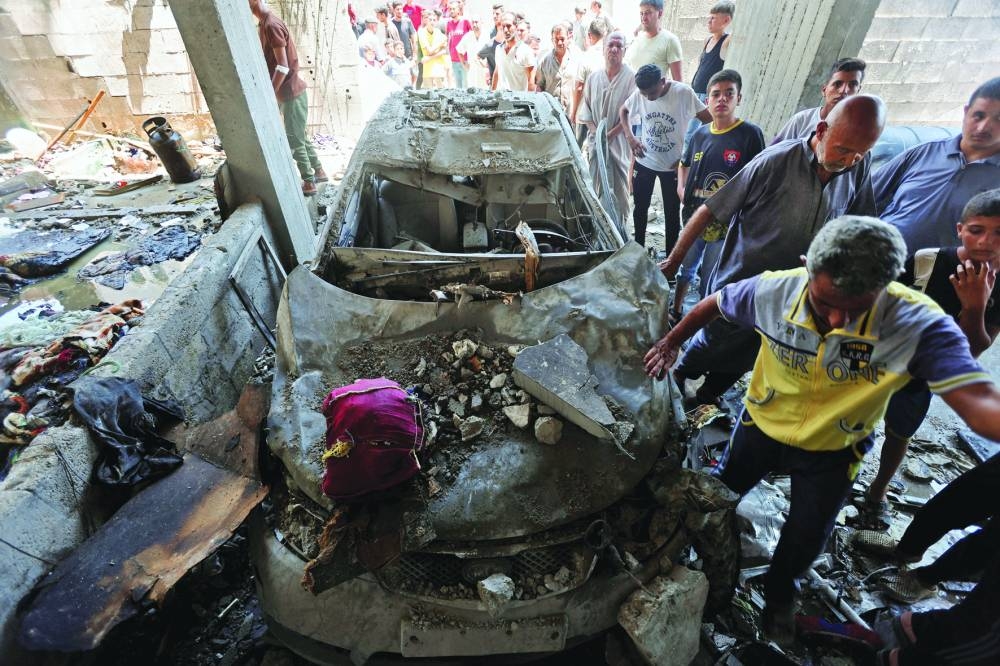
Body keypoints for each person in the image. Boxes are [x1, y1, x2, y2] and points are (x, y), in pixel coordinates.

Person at [645, 215, 1000, 645]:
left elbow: (976, 395)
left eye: (855, 309)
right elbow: (714, 304)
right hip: (760, 426)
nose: (835, 318)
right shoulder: (776, 288)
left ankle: (779, 600)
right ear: (806, 268)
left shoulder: (914, 319)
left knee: (805, 534)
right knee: (718, 494)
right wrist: (671, 343)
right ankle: (692, 557)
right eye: (824, 301)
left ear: (887, 289)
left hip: (836, 448)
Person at [660, 94, 885, 406]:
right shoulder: (776, 161)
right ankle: (681, 374)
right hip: (742, 278)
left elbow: (862, 226)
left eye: (859, 155)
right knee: (715, 340)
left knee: (756, 350)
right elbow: (709, 210)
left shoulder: (858, 166)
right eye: (843, 150)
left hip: (795, 292)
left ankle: (707, 396)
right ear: (821, 132)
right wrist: (674, 261)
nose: (848, 162)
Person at [857, 189, 1000, 529]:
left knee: (899, 432)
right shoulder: (926, 261)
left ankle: (877, 493)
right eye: (977, 230)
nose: (986, 242)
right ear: (960, 229)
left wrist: (974, 307)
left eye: (999, 234)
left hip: (922, 378)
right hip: (881, 361)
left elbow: (973, 349)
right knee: (851, 418)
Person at [671, 69, 764, 322]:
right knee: (685, 268)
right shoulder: (700, 134)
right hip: (693, 217)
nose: (721, 99)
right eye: (716, 94)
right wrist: (681, 188)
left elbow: (757, 178)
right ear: (708, 100)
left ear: (739, 98)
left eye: (728, 94)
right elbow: (684, 163)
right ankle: (676, 311)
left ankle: (700, 323)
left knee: (711, 277)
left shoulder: (750, 135)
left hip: (726, 224)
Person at [873, 77, 1000, 253]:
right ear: (966, 112)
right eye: (978, 116)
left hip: (943, 277)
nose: (983, 127)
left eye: (998, 120)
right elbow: (864, 198)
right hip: (876, 263)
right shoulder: (922, 153)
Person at [620, 64, 711, 250]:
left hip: (672, 166)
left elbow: (709, 120)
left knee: (671, 213)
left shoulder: (683, 93)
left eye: (651, 93)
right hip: (644, 161)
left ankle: (670, 257)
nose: (647, 98)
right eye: (644, 94)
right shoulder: (642, 93)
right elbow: (624, 110)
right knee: (640, 209)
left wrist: (689, 155)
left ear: (663, 81)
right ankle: (638, 249)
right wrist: (630, 138)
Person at [248, 0, 327, 197]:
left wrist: (269, 94)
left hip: (291, 93)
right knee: (299, 136)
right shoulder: (264, 23)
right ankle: (319, 171)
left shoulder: (271, 25)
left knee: (295, 140)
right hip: (288, 93)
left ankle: (309, 182)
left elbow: (282, 66)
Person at [577, 31, 633, 237]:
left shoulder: (631, 78)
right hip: (596, 143)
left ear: (624, 51)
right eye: (611, 45)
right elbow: (587, 112)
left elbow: (631, 114)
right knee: (595, 186)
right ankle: (595, 232)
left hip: (618, 143)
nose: (614, 49)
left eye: (619, 46)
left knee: (619, 191)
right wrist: (597, 133)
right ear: (603, 49)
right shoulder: (593, 78)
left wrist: (610, 135)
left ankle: (619, 235)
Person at [773, 58, 866, 142]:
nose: (844, 91)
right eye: (837, 84)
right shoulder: (802, 120)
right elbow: (771, 154)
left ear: (858, 91)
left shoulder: (858, 133)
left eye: (852, 85)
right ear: (824, 90)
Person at [684, 1, 734, 148]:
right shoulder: (707, 41)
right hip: (695, 92)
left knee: (693, 133)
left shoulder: (725, 42)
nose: (709, 21)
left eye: (713, 18)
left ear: (726, 20)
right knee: (687, 131)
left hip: (707, 96)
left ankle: (688, 164)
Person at [571, 19, 608, 147]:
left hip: (584, 113)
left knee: (579, 148)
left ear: (590, 35)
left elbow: (579, 87)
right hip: (603, 113)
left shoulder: (586, 57)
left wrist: (574, 112)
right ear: (605, 34)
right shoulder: (610, 57)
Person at [625, 0, 683, 83]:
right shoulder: (637, 39)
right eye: (641, 13)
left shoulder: (670, 40)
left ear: (660, 13)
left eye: (648, 13)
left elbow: (678, 82)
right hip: (633, 95)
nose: (643, 18)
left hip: (655, 95)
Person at [535, 22, 579, 117]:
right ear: (552, 40)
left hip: (571, 114)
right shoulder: (544, 61)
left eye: (562, 39)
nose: (559, 43)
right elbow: (539, 86)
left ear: (568, 38)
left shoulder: (576, 60)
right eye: (556, 40)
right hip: (551, 114)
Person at [491, 12, 535, 91]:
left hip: (518, 101)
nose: (505, 30)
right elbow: (497, 73)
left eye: (508, 26)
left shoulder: (526, 51)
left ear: (516, 26)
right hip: (501, 99)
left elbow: (531, 82)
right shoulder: (498, 49)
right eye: (503, 26)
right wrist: (491, 93)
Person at [418, 9, 448, 88]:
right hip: (427, 69)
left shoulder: (438, 32)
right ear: (426, 20)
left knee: (441, 94)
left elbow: (444, 51)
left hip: (439, 68)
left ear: (437, 22)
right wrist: (440, 43)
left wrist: (429, 57)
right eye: (430, 19)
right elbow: (430, 51)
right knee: (428, 95)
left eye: (434, 20)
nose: (432, 22)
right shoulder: (421, 32)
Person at [445, 1, 472, 87]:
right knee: (458, 87)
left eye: (453, 9)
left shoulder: (465, 21)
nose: (451, 11)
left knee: (466, 85)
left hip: (465, 59)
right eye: (450, 9)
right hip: (454, 59)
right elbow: (447, 38)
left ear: (458, 10)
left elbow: (472, 36)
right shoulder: (449, 23)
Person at [455, 17, 488, 88]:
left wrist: (488, 66)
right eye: (473, 22)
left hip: (484, 70)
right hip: (472, 70)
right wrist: (464, 63)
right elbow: (459, 50)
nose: (474, 25)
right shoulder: (468, 36)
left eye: (476, 22)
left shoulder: (487, 35)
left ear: (481, 23)